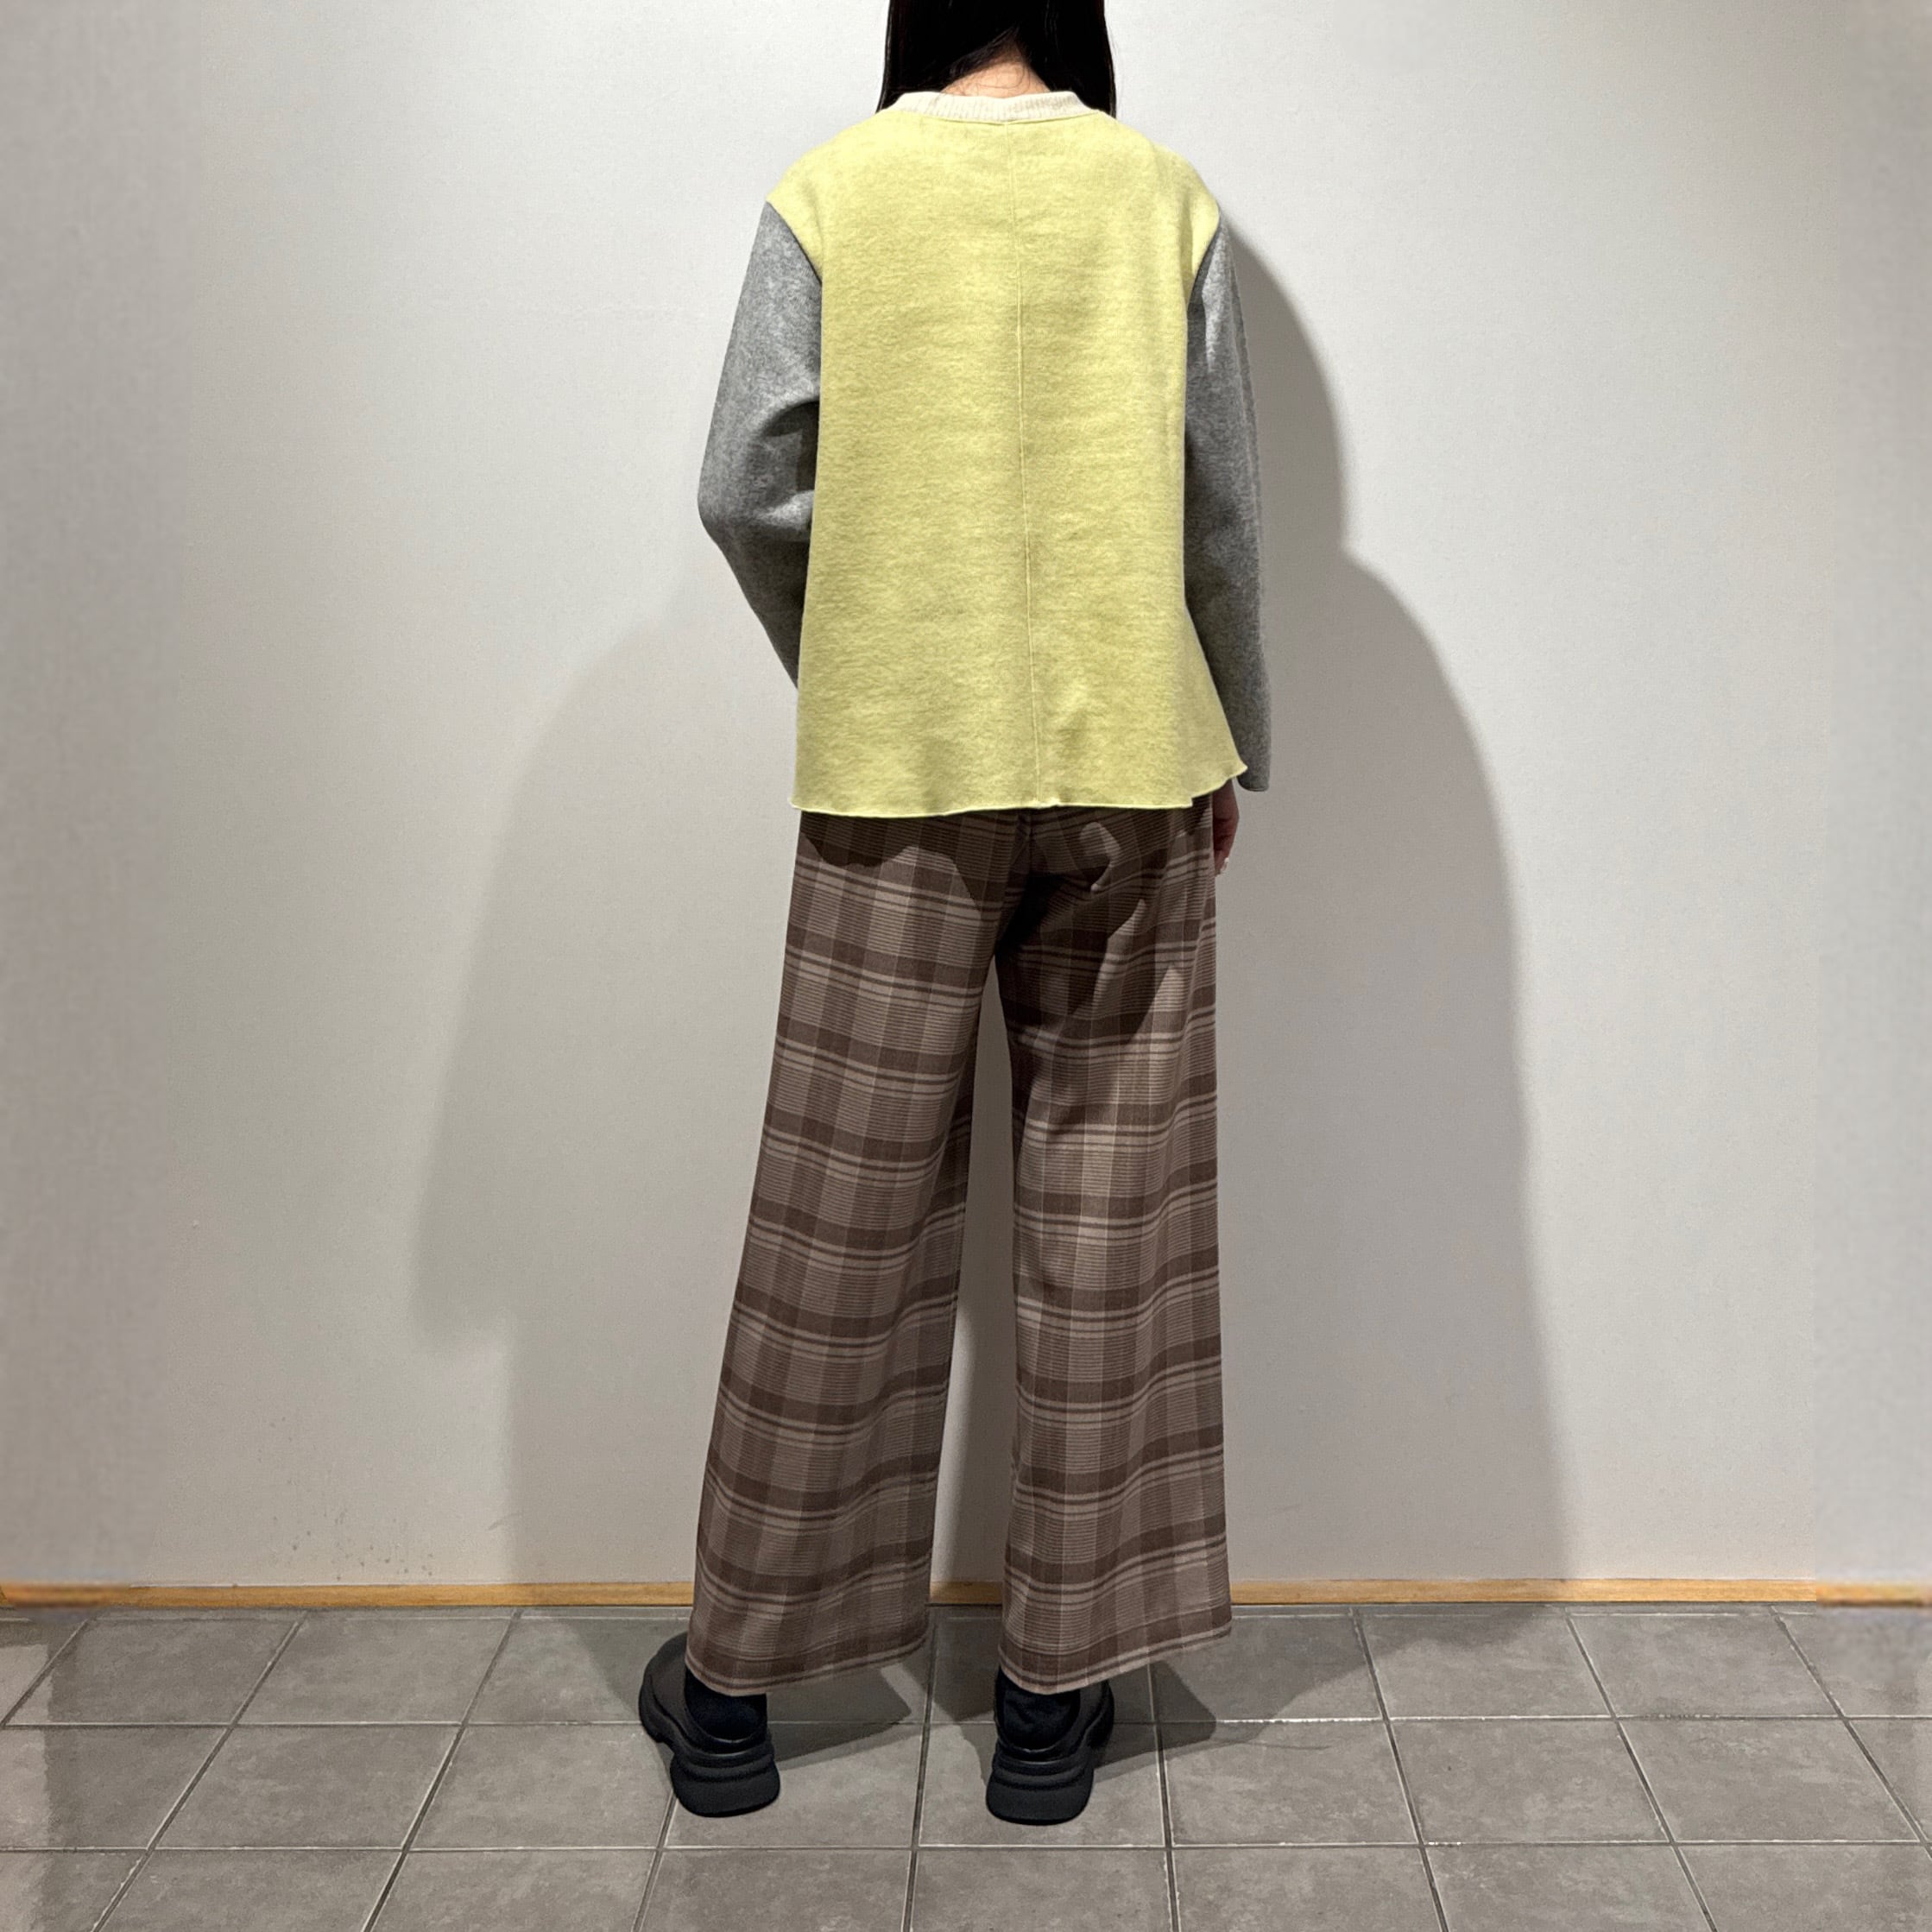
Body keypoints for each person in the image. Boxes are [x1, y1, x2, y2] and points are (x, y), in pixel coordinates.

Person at [639, 0, 1267, 1828]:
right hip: (1131, 764)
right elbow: (1219, 517)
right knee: (1111, 1226)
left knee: (835, 1230)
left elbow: (743, 484)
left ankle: (734, 1694)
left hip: (899, 767)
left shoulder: (832, 191)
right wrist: (1231, 737)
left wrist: (856, 655)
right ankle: (1054, 1701)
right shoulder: (1163, 197)